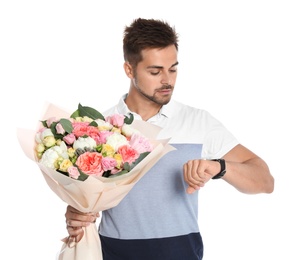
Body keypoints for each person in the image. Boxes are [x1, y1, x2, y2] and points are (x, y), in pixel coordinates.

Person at [64, 18, 274, 260]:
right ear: (129, 70)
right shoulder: (99, 127)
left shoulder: (199, 122)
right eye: (155, 71)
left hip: (181, 252)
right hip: (114, 252)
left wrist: (219, 167)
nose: (168, 80)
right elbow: (83, 198)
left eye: (173, 69)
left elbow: (265, 181)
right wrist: (77, 214)